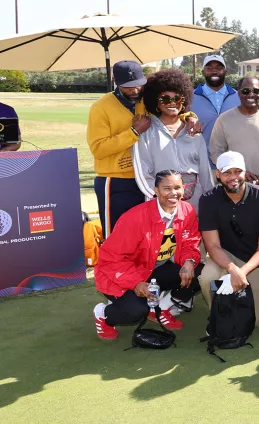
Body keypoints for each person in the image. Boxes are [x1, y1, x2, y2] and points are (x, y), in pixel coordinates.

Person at [93, 170, 202, 339]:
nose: (173, 193)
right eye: (167, 188)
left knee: (198, 273)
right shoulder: (135, 217)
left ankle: (159, 308)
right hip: (119, 274)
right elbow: (111, 259)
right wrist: (135, 282)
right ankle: (104, 314)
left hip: (152, 269)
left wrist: (188, 261)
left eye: (177, 188)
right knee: (136, 311)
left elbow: (191, 241)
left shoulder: (187, 210)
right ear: (156, 191)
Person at [197, 152, 259, 325]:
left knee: (255, 321)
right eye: (227, 173)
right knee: (206, 277)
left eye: (238, 172)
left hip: (256, 260)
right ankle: (217, 314)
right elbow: (212, 245)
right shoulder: (208, 200)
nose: (233, 177)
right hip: (225, 254)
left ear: (245, 172)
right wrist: (233, 270)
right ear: (218, 174)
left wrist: (241, 272)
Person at [133, 69, 214, 210]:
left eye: (177, 98)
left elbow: (205, 173)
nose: (172, 103)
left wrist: (211, 201)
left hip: (194, 206)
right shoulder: (145, 133)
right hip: (160, 205)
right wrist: (160, 197)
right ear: (155, 103)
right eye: (165, 99)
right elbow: (143, 174)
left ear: (184, 101)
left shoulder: (194, 132)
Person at [88, 60, 151, 235]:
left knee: (143, 234)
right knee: (116, 235)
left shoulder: (145, 100)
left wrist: (188, 117)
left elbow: (172, 110)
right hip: (114, 180)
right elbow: (98, 149)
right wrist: (134, 132)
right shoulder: (100, 107)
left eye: (138, 85)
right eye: (128, 86)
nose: (135, 90)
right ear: (116, 82)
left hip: (145, 178)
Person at [210, 76, 259, 200]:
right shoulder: (224, 119)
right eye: (246, 91)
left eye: (256, 91)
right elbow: (216, 153)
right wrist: (238, 172)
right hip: (236, 190)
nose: (251, 94)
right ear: (238, 92)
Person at [190, 53, 240, 149]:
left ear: (225, 71)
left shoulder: (238, 97)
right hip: (199, 160)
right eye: (209, 68)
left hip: (231, 160)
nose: (214, 71)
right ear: (203, 72)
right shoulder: (190, 98)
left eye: (219, 68)